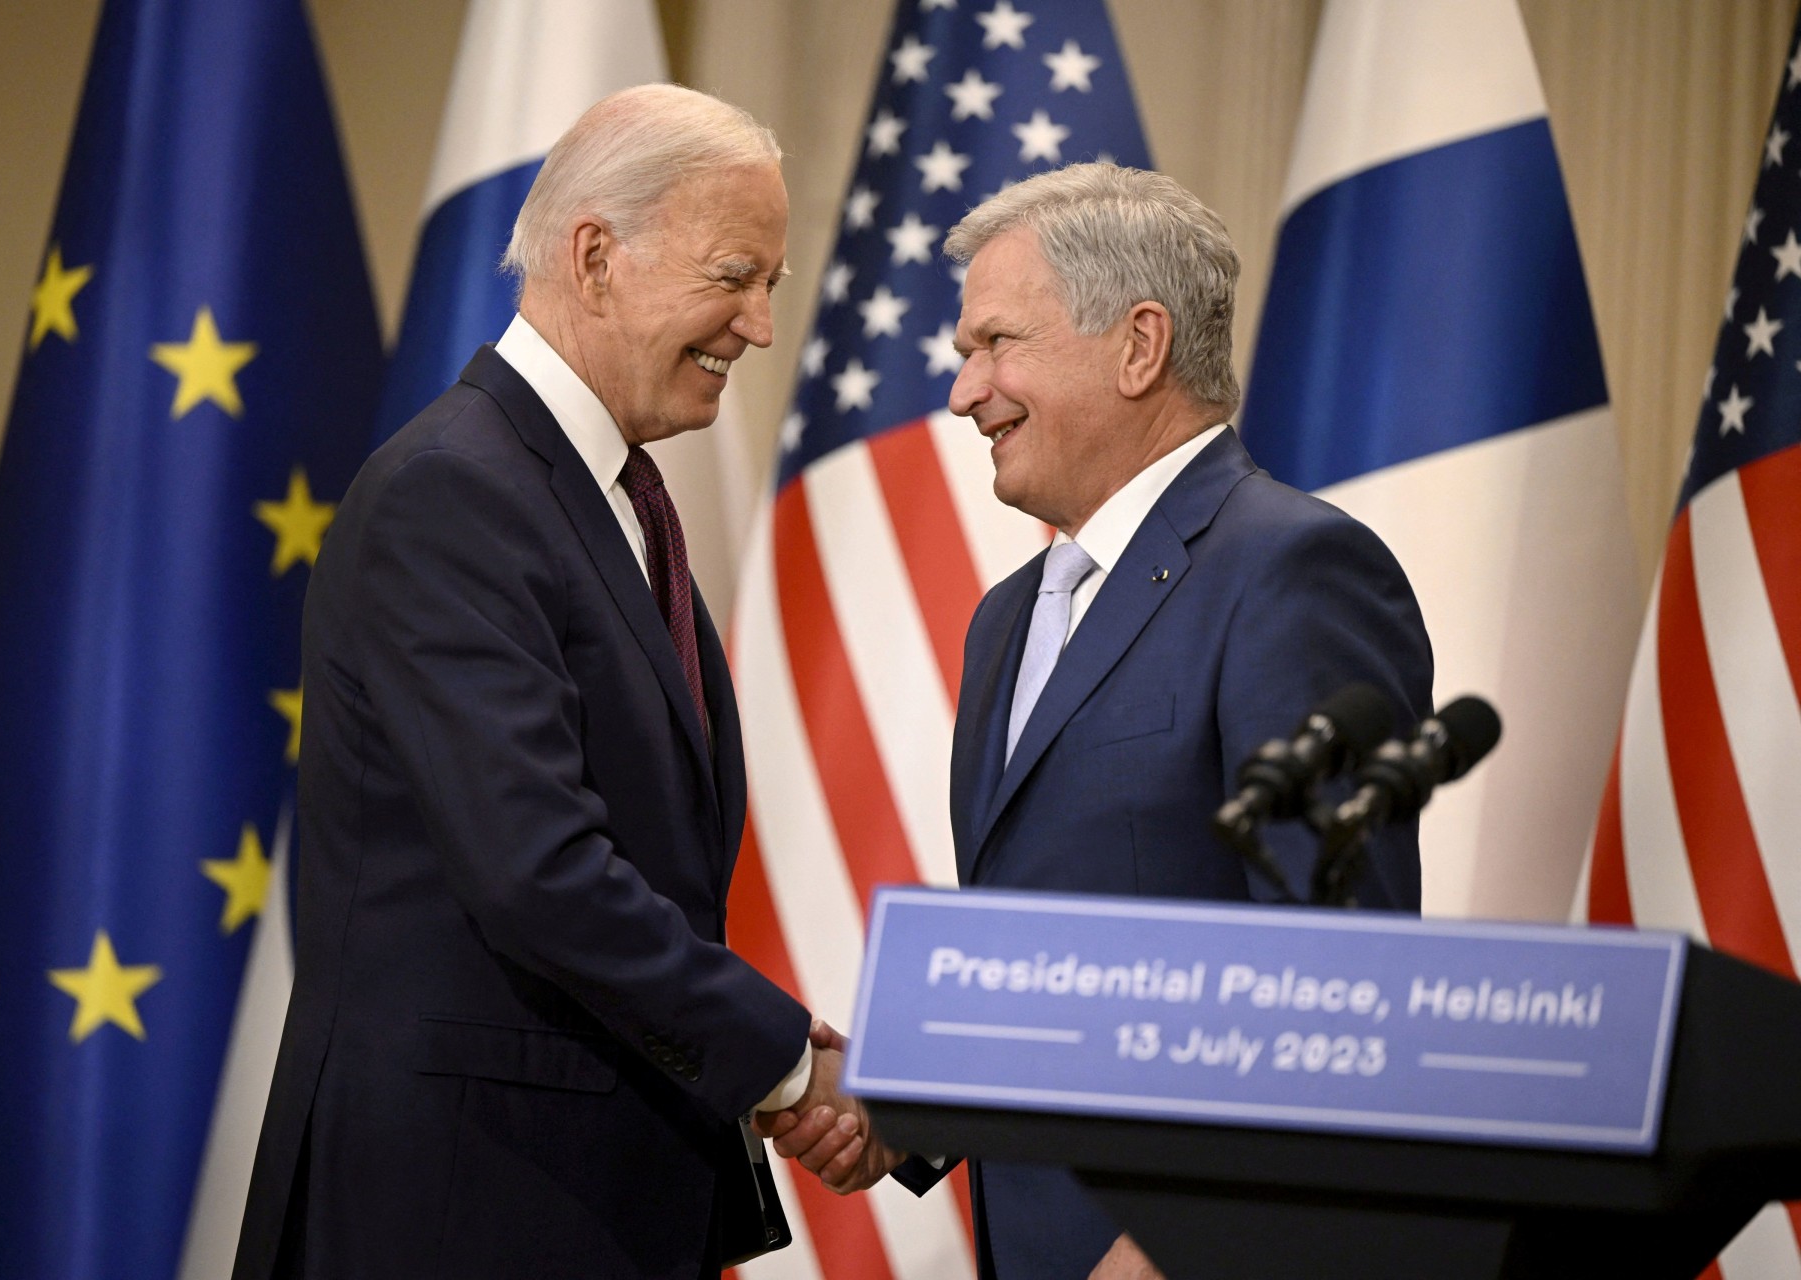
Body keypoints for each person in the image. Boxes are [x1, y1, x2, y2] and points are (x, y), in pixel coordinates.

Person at [758, 163, 1434, 1279]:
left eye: (996, 345)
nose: (967, 392)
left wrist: (1186, 1236)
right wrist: (901, 1100)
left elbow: (1336, 976)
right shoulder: (1009, 618)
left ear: (1139, 345)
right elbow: (1036, 944)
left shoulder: (1295, 570)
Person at [232, 84, 853, 1280]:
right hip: (464, 1207)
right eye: (736, 275)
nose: (761, 325)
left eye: (770, 283)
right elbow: (539, 869)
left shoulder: (604, 494)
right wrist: (788, 1062)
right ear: (595, 255)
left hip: (574, 1191)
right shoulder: (454, 492)